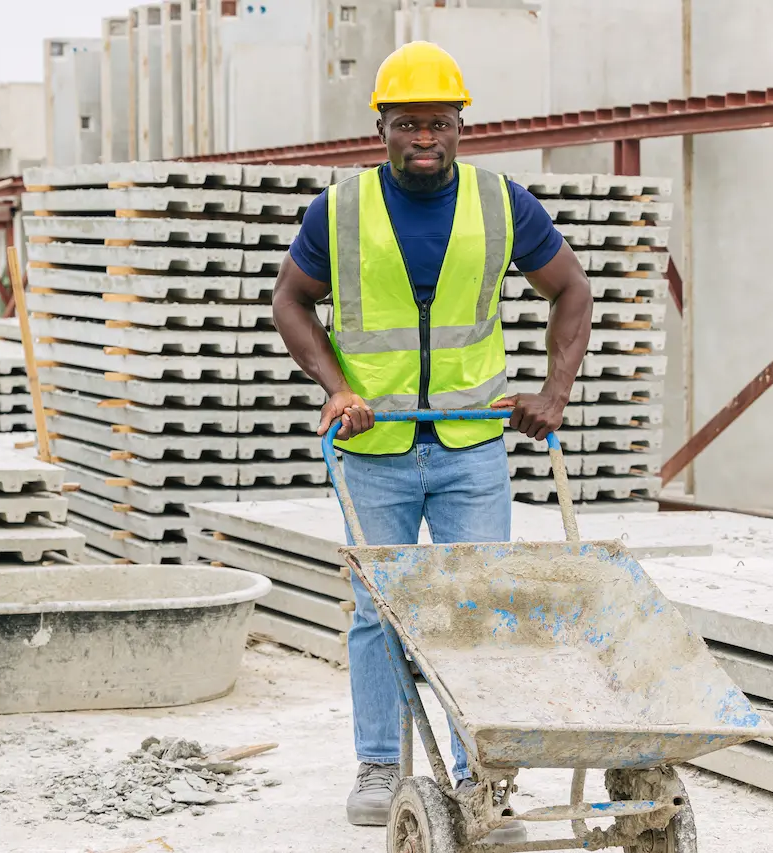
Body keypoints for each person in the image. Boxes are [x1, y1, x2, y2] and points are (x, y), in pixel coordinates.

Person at [271, 40, 594, 832]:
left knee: (475, 611)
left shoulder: (500, 202)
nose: (425, 139)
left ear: (461, 124)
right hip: (372, 449)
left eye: (440, 123)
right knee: (377, 613)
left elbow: (571, 288)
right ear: (379, 125)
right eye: (408, 124)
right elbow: (290, 300)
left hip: (471, 447)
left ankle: (477, 771)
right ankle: (381, 762)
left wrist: (555, 392)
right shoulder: (339, 209)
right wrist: (338, 387)